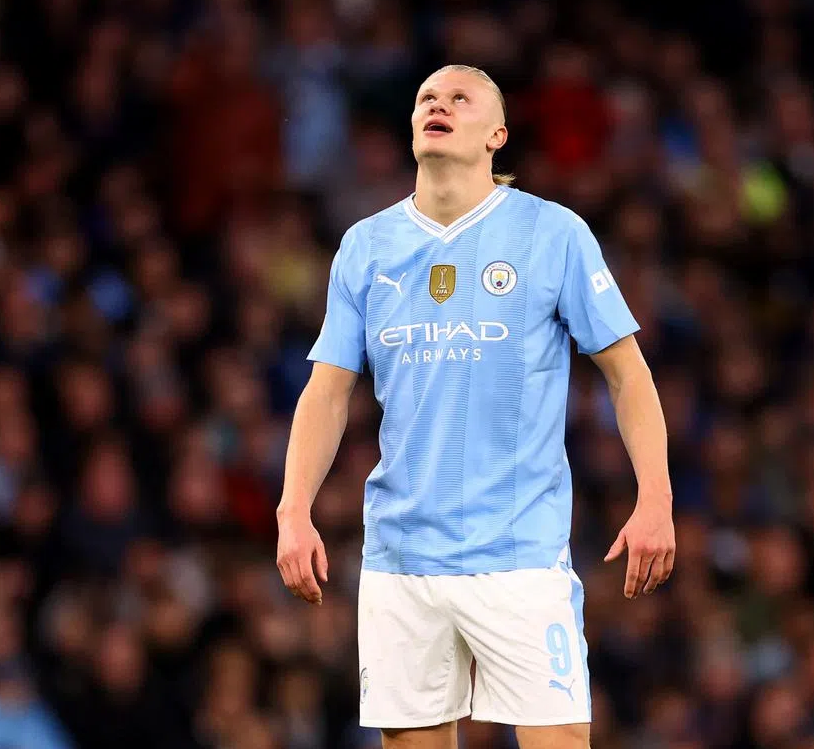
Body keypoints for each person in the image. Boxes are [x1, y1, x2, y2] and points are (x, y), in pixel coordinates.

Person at [276, 64, 676, 749]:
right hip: (403, 559)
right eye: (427, 98)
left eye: (460, 99)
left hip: (520, 555)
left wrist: (656, 499)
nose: (439, 105)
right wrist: (292, 510)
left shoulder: (553, 235)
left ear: (497, 134)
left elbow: (628, 375)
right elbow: (328, 390)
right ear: (412, 130)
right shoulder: (367, 248)